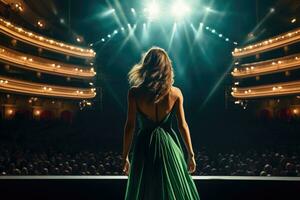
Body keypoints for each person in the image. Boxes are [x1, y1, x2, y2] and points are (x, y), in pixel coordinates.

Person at [122, 47, 200, 199]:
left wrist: (125, 156)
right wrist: (191, 154)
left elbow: (130, 126)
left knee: (145, 190)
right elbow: (182, 125)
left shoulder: (135, 93)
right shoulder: (175, 93)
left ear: (146, 66)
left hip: (144, 147)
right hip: (169, 147)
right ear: (167, 67)